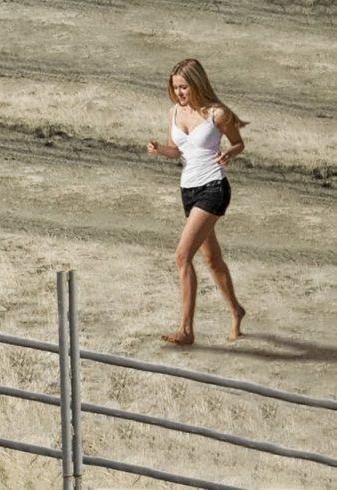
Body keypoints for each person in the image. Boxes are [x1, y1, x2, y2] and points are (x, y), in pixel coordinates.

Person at [147, 58, 247, 345]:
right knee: (212, 259)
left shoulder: (218, 113)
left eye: (184, 86)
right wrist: (158, 150)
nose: (179, 92)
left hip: (213, 187)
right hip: (188, 190)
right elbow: (178, 151)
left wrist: (230, 153)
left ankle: (186, 331)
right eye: (176, 87)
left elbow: (238, 143)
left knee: (182, 255)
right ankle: (237, 311)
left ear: (197, 83)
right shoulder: (174, 112)